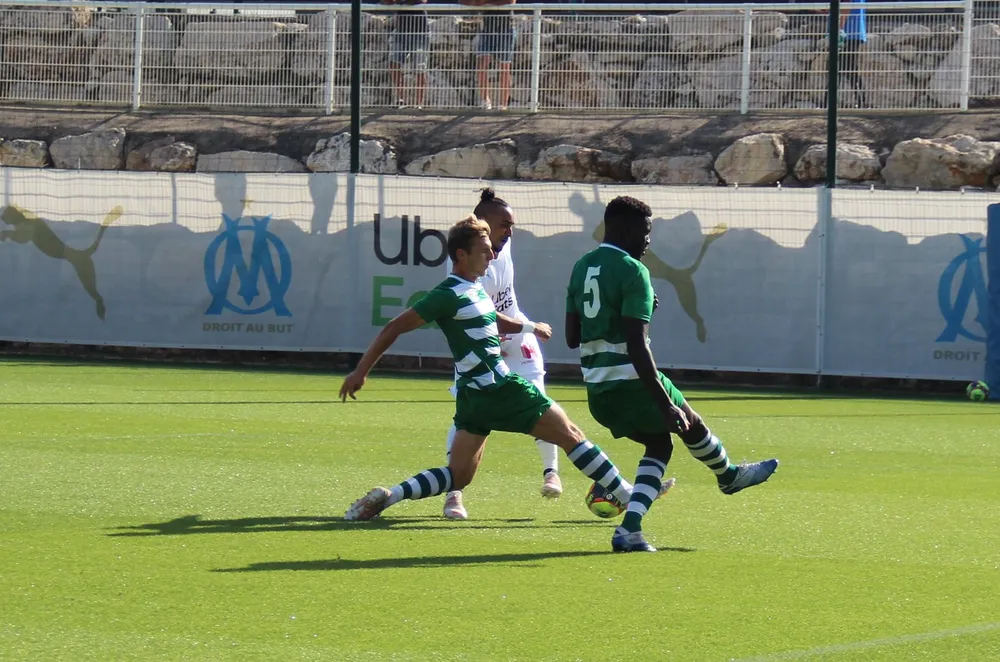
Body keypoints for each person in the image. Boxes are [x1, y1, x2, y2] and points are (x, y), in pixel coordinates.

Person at [341, 215, 669, 529]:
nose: (492, 254)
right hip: (499, 387)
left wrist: (529, 326)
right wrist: (360, 371)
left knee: (458, 476)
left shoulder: (474, 287)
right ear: (461, 254)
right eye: (484, 250)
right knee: (571, 434)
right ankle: (627, 493)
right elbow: (394, 326)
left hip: (473, 398)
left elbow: (494, 316)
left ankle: (388, 496)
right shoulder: (446, 294)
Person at [565, 196, 780, 553]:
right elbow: (637, 345)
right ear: (626, 229)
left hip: (596, 389)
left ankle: (642, 524)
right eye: (645, 232)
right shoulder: (634, 271)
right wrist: (663, 402)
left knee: (662, 441)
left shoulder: (581, 266)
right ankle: (725, 479)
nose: (649, 240)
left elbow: (573, 338)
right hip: (630, 380)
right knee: (681, 425)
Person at [440, 189, 561, 521]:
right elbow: (485, 320)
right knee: (467, 419)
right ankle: (454, 494)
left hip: (517, 334)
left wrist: (525, 328)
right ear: (484, 225)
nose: (510, 231)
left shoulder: (501, 246)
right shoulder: (465, 267)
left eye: (512, 225)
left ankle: (551, 472)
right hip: (482, 347)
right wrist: (529, 328)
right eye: (505, 224)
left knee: (539, 398)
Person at [459, 0, 517, 111]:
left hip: (506, 28)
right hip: (486, 28)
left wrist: (487, 2)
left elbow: (510, 1)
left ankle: (504, 104)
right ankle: (486, 100)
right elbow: (470, 2)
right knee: (481, 64)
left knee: (504, 66)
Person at [383, 0, 430, 109]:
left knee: (420, 67)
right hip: (400, 30)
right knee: (394, 63)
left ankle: (419, 104)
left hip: (420, 32)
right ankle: (401, 100)